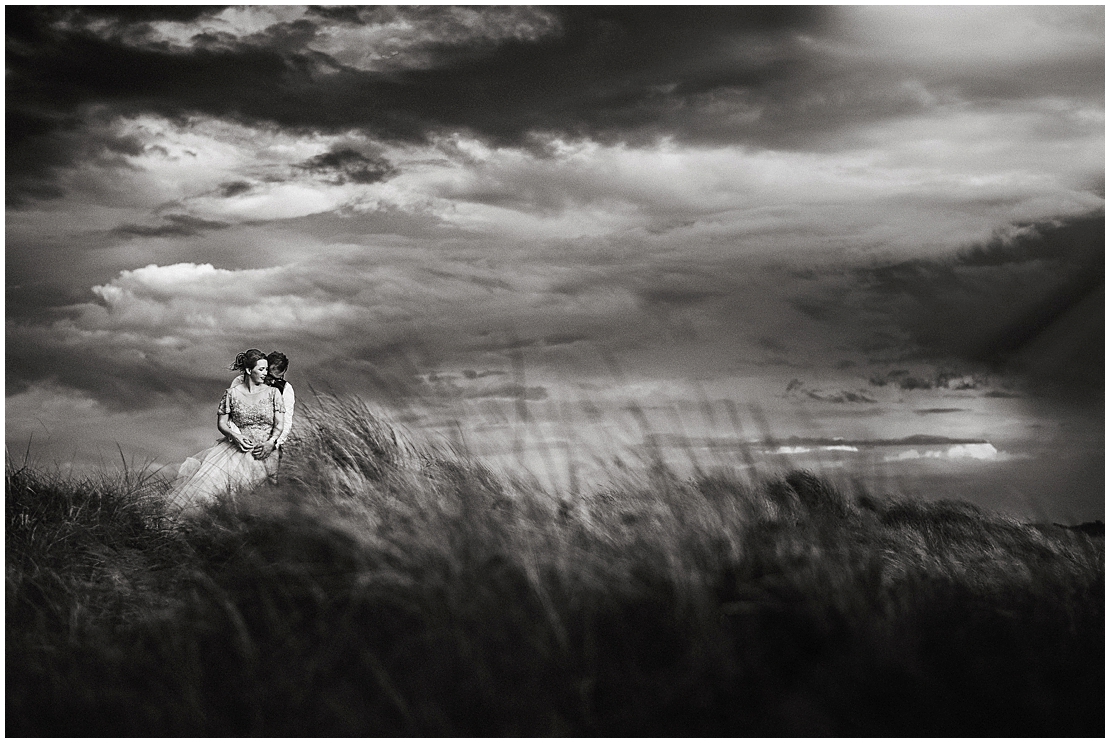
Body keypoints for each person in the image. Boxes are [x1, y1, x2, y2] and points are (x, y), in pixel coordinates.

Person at [167, 349, 286, 516]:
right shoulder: (232, 394)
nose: (265, 373)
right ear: (248, 370)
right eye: (261, 369)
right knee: (217, 496)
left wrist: (270, 442)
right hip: (237, 450)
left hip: (266, 451)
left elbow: (280, 424)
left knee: (266, 499)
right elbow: (222, 423)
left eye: (266, 369)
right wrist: (236, 436)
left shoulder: (273, 393)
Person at [226, 350, 295, 464]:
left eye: (277, 379)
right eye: (269, 376)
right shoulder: (240, 381)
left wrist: (272, 443)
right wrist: (238, 437)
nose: (271, 381)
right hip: (238, 444)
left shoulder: (285, 389)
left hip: (267, 447)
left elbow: (286, 421)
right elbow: (230, 416)